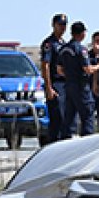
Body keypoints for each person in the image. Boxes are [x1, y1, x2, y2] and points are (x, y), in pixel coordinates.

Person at [57, 20, 99, 139]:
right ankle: (87, 141)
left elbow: (59, 70)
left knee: (69, 115)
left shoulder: (64, 49)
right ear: (81, 34)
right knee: (87, 115)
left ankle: (65, 140)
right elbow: (87, 69)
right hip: (81, 86)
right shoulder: (81, 49)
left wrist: (70, 75)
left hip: (69, 85)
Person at [39, 13, 69, 144]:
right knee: (57, 117)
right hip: (55, 83)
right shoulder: (49, 44)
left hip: (66, 84)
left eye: (64, 25)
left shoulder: (64, 43)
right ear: (53, 25)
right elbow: (45, 65)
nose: (62, 28)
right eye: (60, 25)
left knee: (66, 118)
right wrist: (49, 87)